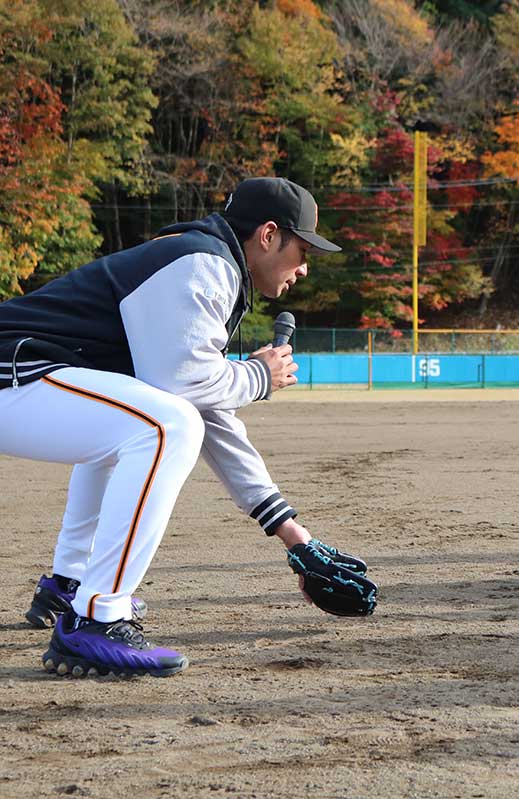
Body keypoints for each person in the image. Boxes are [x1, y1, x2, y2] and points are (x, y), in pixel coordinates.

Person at [0, 177, 344, 678]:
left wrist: (291, 532)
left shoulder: (203, 259)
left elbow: (204, 404)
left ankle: (71, 583)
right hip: (17, 373)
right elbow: (182, 383)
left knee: (138, 424)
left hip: (24, 377)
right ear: (269, 234)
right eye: (303, 248)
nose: (305, 266)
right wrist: (257, 376)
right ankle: (97, 619)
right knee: (164, 426)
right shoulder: (204, 264)